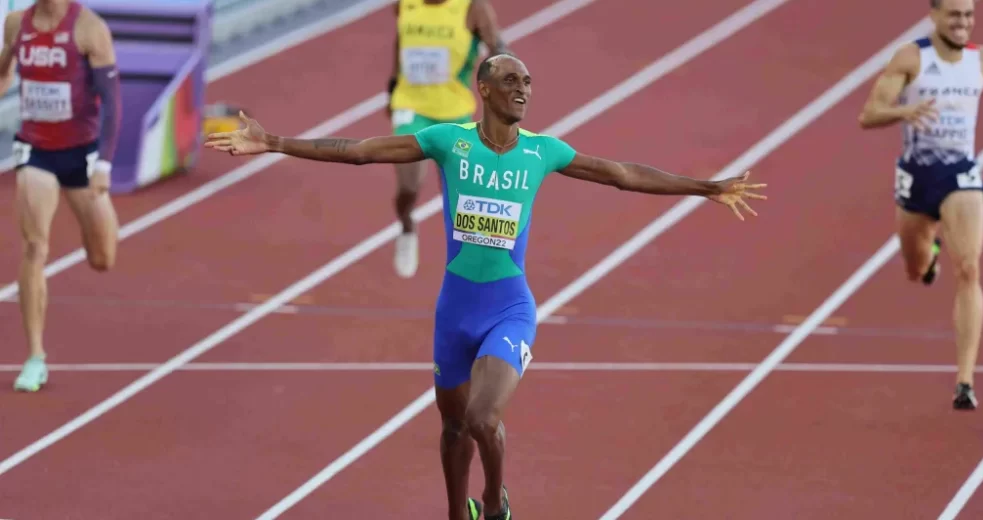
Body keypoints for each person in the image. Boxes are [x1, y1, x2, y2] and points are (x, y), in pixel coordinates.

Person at [205, 53, 767, 520]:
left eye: (528, 82)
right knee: (453, 428)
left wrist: (705, 187)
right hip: (454, 312)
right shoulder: (449, 141)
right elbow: (358, 152)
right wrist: (272, 141)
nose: (523, 89)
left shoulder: (542, 152)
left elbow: (622, 175)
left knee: (481, 418)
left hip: (508, 308)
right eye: (511, 80)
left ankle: (495, 505)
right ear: (484, 89)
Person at [858, 0, 983, 410]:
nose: (963, 22)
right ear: (934, 16)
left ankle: (965, 382)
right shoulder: (911, 58)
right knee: (915, 269)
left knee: (969, 268)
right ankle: (930, 254)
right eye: (954, 15)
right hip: (917, 178)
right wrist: (904, 110)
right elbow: (869, 115)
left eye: (968, 15)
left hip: (960, 173)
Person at [1, 0, 122, 392]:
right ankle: (35, 357)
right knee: (34, 247)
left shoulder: (89, 28)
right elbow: (4, 75)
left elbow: (112, 103)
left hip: (81, 154)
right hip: (35, 150)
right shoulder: (16, 24)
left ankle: (102, 213)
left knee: (102, 258)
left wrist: (104, 165)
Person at [387, 0, 507, 278]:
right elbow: (401, 41)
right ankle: (407, 227)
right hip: (411, 109)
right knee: (408, 187)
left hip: (454, 115)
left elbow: (497, 49)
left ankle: (468, 256)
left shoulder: (473, 8)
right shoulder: (405, 4)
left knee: (457, 194)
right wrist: (392, 87)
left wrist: (505, 66)